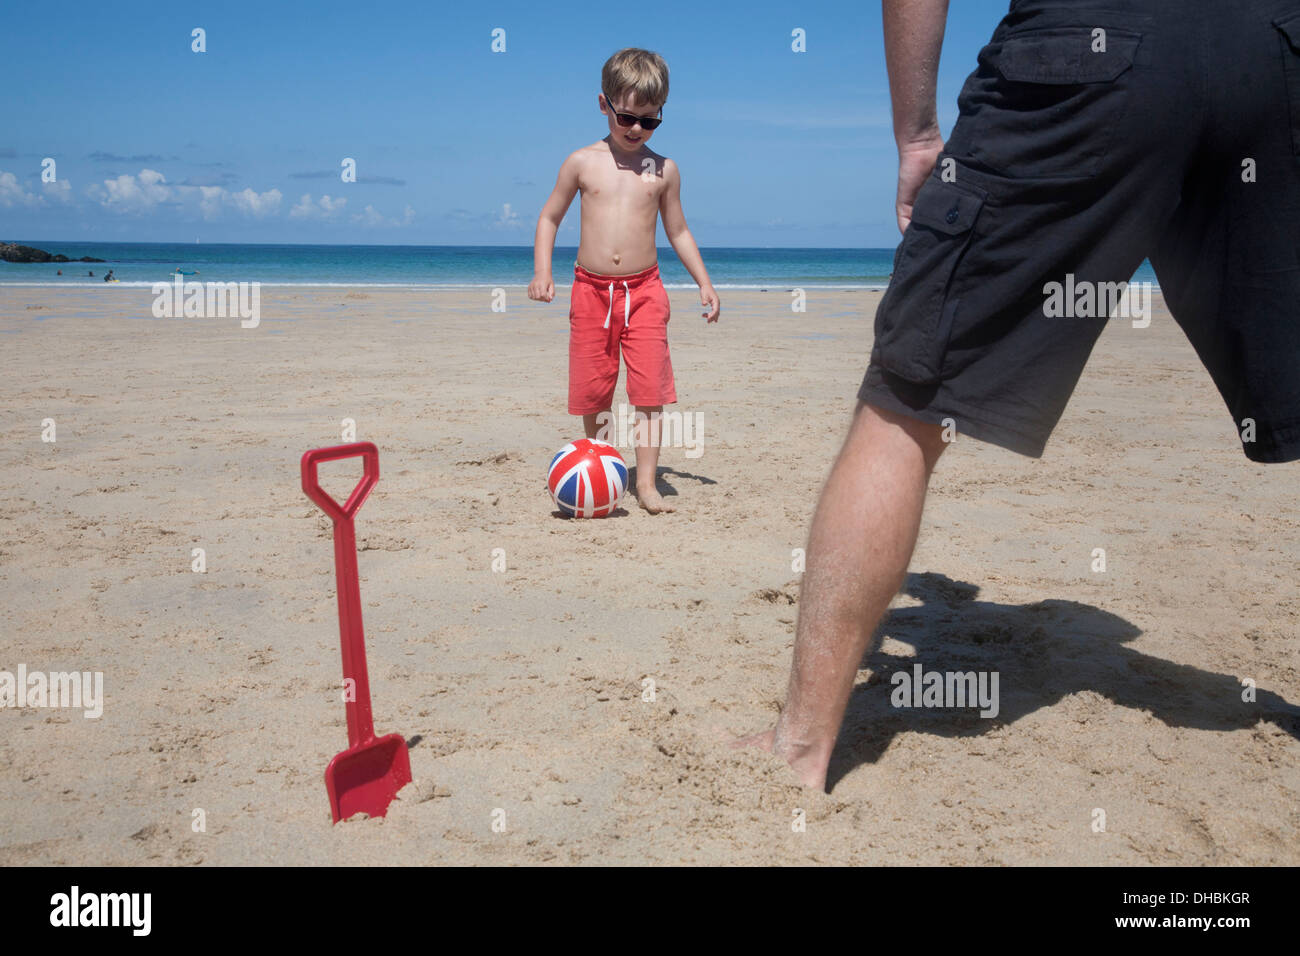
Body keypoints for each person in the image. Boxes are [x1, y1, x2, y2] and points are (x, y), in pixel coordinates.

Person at [736, 0, 1300, 789]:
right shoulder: (1115, 627)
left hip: (1090, 50)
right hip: (1274, 48)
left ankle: (799, 746)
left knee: (906, 397)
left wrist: (918, 134)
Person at [528, 47, 721, 514]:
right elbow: (550, 217)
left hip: (646, 292)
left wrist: (704, 282)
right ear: (604, 105)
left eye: (650, 121)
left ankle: (648, 483)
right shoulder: (581, 162)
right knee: (594, 390)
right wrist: (542, 271)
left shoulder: (663, 170)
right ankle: (602, 465)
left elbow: (678, 230)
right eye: (628, 117)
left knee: (650, 391)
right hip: (590, 291)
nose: (637, 129)